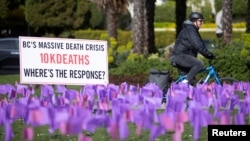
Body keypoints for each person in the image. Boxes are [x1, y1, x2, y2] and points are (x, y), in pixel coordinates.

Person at [170, 12, 215, 85]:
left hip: (182, 56)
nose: (202, 23)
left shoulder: (191, 29)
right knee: (199, 64)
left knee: (191, 83)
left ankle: (184, 88)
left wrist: (207, 53)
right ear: (195, 21)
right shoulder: (190, 29)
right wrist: (209, 55)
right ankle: (184, 83)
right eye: (200, 21)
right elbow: (198, 45)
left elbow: (201, 44)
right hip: (180, 56)